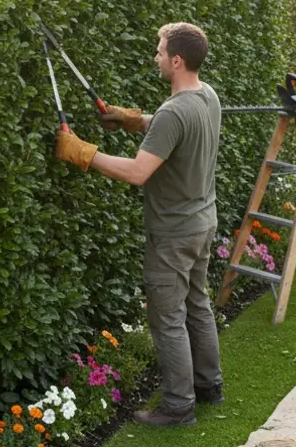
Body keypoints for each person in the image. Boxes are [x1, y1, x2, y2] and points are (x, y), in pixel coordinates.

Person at [55, 22, 224, 426]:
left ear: (177, 60)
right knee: (197, 305)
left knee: (167, 319)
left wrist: (83, 153)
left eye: (160, 50)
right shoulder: (207, 95)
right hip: (203, 223)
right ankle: (209, 385)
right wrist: (133, 120)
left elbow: (136, 173)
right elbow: (173, 128)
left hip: (172, 233)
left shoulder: (173, 112)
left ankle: (178, 407)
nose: (156, 56)